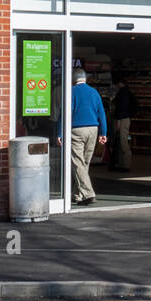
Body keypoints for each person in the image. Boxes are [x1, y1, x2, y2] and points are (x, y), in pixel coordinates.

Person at [62, 68, 107, 205]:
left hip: (77, 130)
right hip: (93, 129)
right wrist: (103, 133)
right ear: (85, 79)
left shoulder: (71, 92)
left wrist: (60, 132)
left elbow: (65, 113)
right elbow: (101, 113)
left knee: (77, 163)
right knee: (84, 163)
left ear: (73, 79)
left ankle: (88, 193)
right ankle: (78, 195)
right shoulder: (94, 92)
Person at [108, 73, 135, 173]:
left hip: (122, 119)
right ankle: (122, 163)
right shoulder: (126, 91)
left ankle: (125, 165)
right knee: (122, 141)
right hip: (124, 118)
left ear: (119, 83)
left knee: (123, 142)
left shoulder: (123, 93)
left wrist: (118, 120)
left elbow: (121, 108)